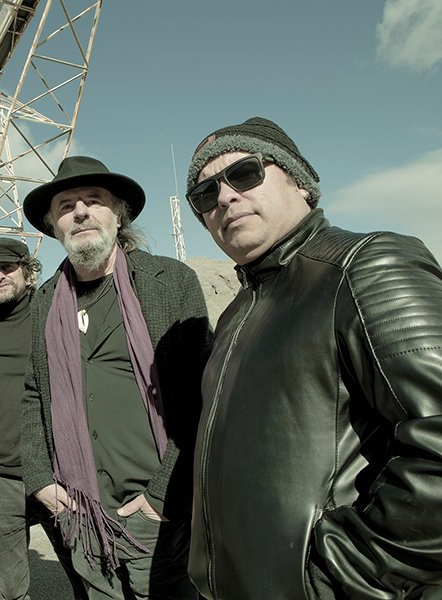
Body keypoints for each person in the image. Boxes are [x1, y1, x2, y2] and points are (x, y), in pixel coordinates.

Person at [185, 116, 442, 599]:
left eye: (244, 173)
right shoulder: (236, 314)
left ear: (300, 182)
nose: (224, 197)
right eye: (204, 193)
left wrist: (340, 576)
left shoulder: (364, 266)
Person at [20, 156, 212, 599]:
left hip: (156, 513)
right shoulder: (44, 303)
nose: (80, 212)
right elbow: (32, 394)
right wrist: (40, 479)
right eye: (66, 206)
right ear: (53, 225)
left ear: (119, 214)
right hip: (81, 511)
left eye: (94, 200)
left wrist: (161, 497)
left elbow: (203, 394)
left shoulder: (170, 281)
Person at [0, 237, 87, 600]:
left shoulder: (56, 319)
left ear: (27, 272)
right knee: (11, 589)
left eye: (7, 268)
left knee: (89, 574)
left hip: (57, 474)